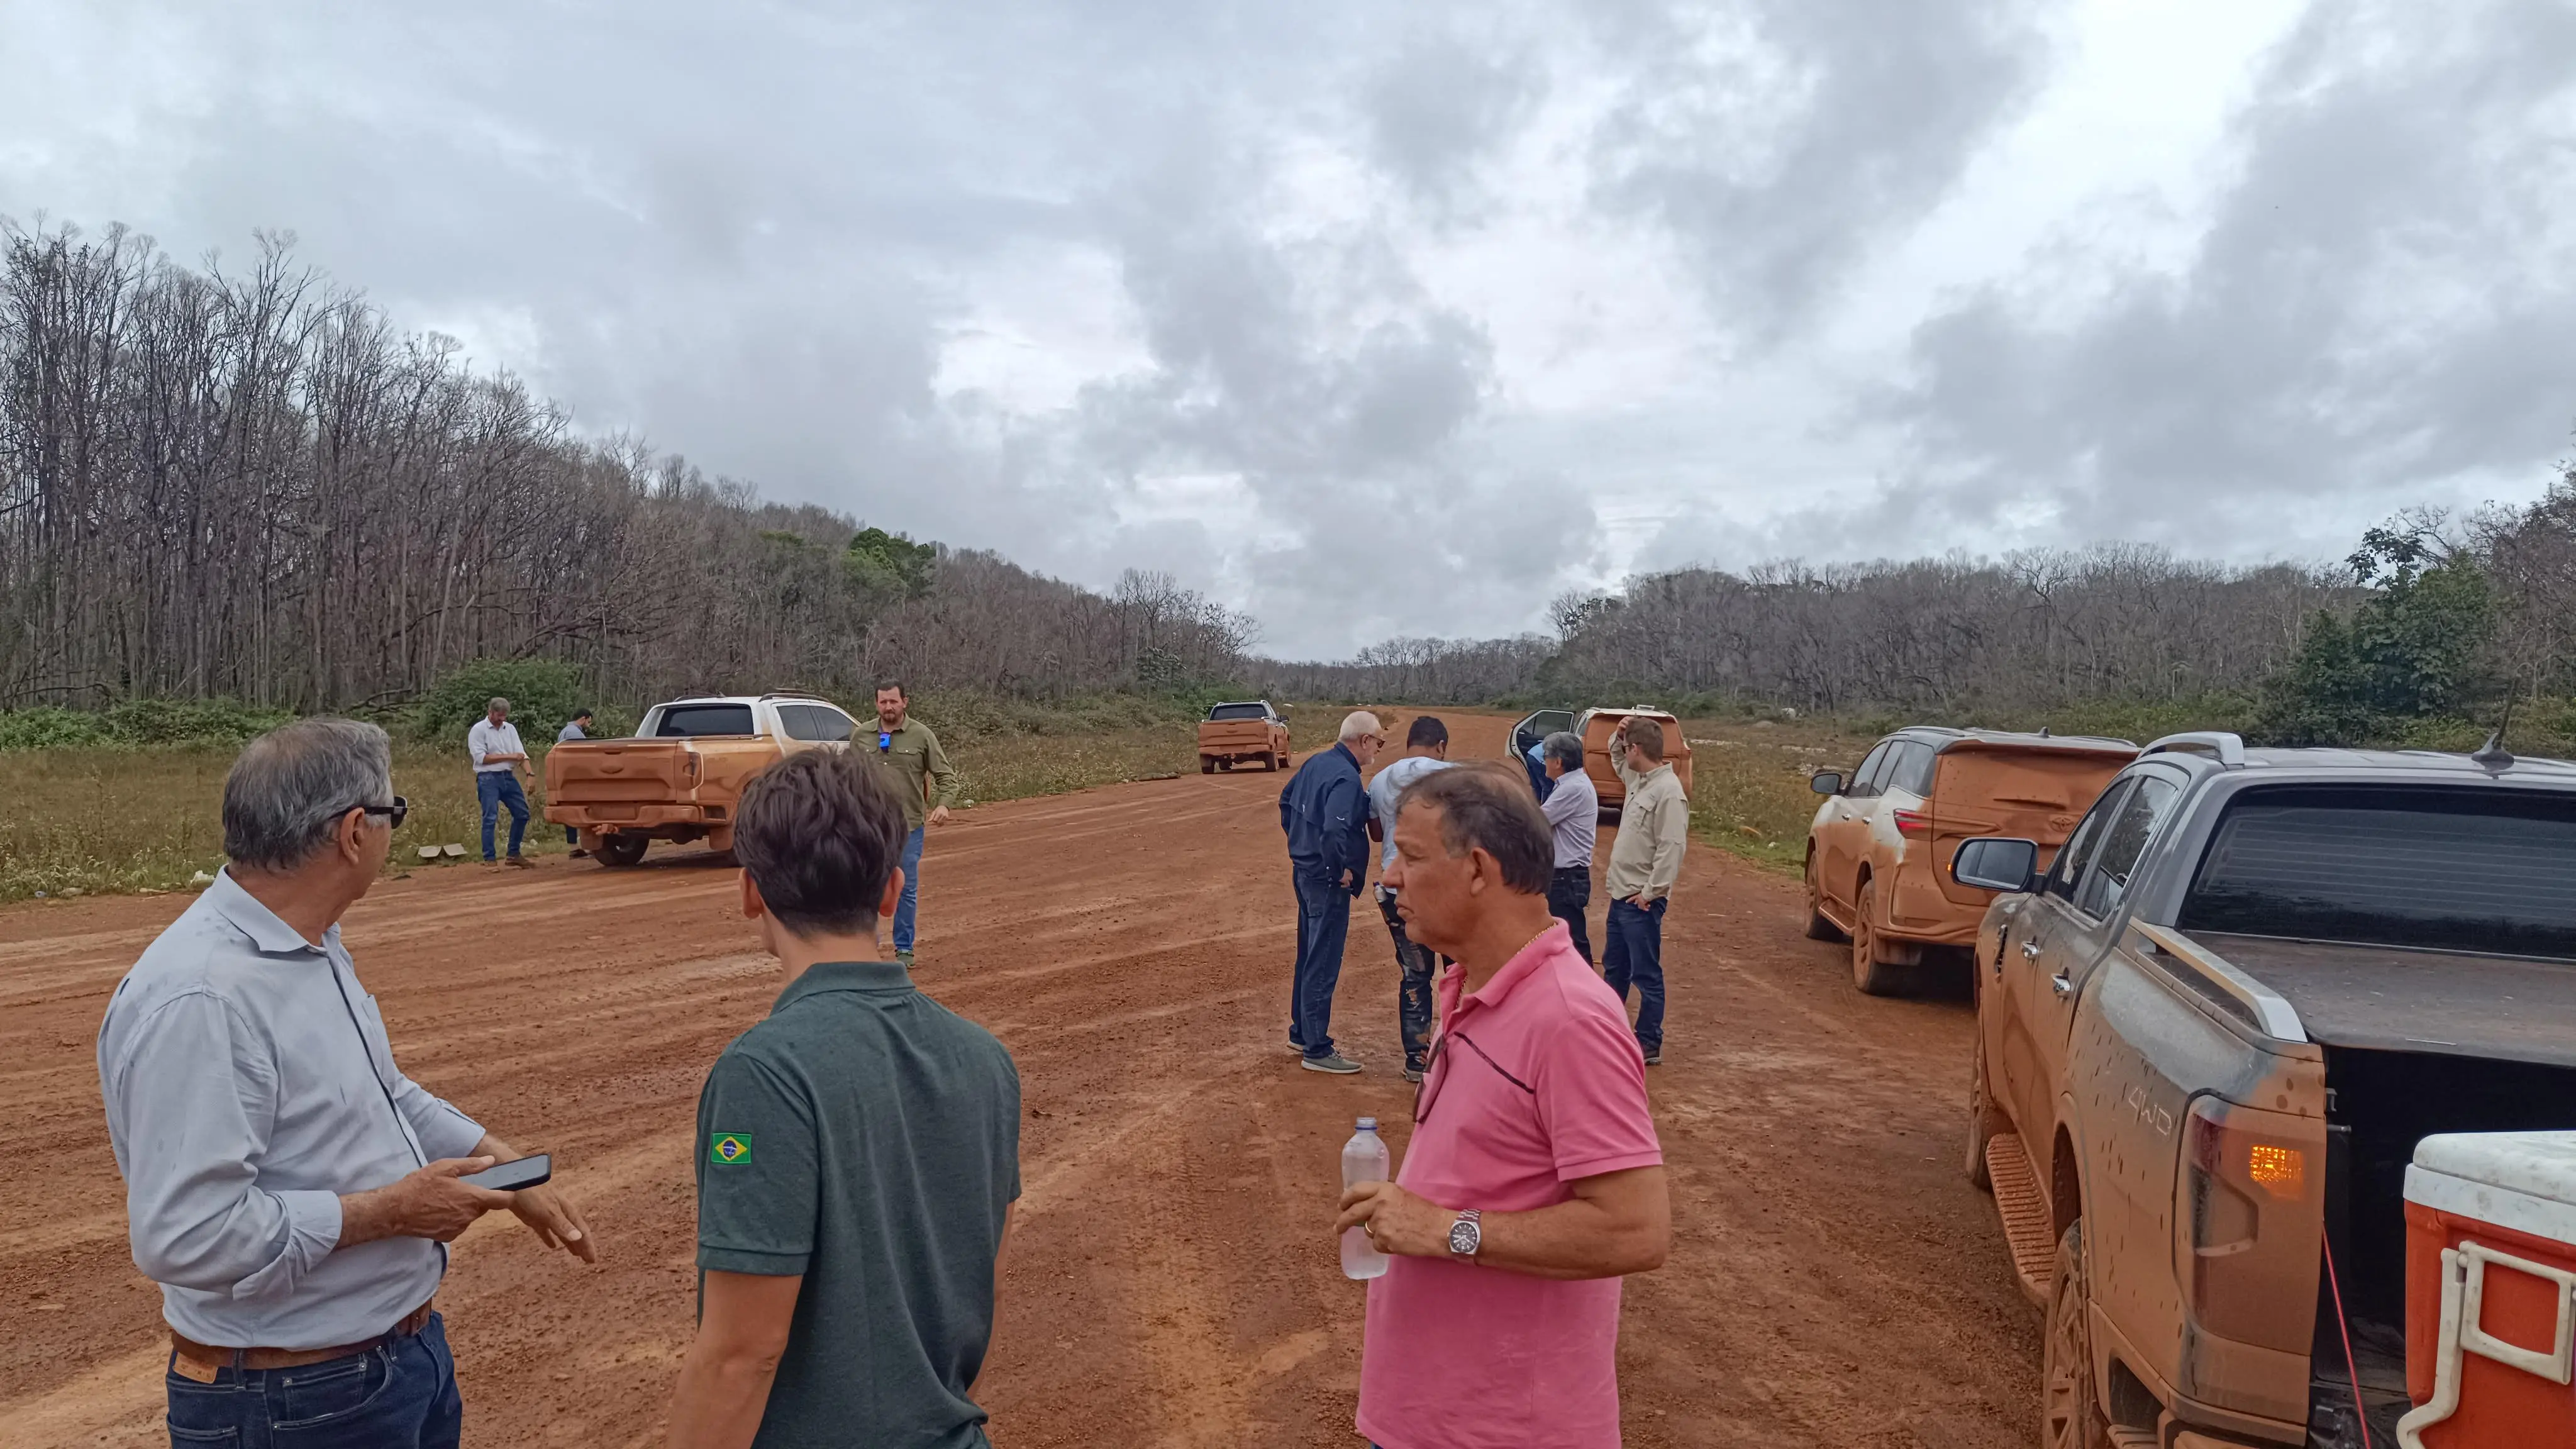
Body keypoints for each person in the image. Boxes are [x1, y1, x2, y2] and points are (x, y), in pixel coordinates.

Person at [97, 718, 597, 1449]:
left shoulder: (309, 944)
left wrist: (505, 1164)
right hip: (291, 1400)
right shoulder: (204, 997)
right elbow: (186, 1235)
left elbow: (382, 1094)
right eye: (397, 814)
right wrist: (389, 1213)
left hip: (391, 1363)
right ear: (355, 832)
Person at [665, 748, 1020, 1449]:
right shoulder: (986, 1060)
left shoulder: (762, 1075)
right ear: (891, 890)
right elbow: (981, 1286)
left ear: (750, 894)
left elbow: (742, 1354)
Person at [1338, 763, 1670, 1449]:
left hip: (1505, 1430)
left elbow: (1635, 1230)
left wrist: (1445, 1230)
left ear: (1479, 870)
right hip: (1427, 1416)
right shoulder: (1467, 987)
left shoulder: (1569, 1019)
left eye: (1412, 855)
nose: (1390, 876)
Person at [1278, 710, 1384, 1074]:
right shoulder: (1345, 778)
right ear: (1364, 740)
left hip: (1305, 874)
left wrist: (1300, 845)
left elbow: (1285, 802)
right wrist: (1337, 870)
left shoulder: (1316, 763)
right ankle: (1317, 1048)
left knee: (1309, 952)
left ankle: (1301, 1032)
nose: (1378, 751)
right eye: (1378, 743)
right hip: (1324, 881)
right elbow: (1334, 831)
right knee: (1323, 960)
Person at [1365, 714, 1452, 1083]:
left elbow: (1375, 831)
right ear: (1442, 746)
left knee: (1415, 975)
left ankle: (1416, 1061)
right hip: (1446, 892)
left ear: (1408, 744)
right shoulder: (1453, 777)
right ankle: (1463, 1052)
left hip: (1397, 888)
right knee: (1460, 974)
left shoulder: (1381, 779)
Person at [1602, 716, 1689, 1066]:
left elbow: (1672, 848)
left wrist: (1651, 893)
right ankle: (1607, 1032)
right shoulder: (1639, 780)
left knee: (1646, 973)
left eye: (1627, 747)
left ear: (1637, 750)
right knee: (1615, 969)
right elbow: (1616, 758)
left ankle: (1649, 1041)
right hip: (1620, 895)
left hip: (1640, 902)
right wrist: (1618, 733)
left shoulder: (1669, 793)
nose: (1623, 753)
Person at [865, 680, 957, 969]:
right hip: (869, 829)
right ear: (876, 704)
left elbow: (946, 776)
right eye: (883, 702)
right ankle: (864, 947)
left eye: (893, 701)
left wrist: (943, 804)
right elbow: (845, 778)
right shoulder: (861, 737)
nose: (888, 707)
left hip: (909, 828)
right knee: (864, 888)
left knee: (905, 890)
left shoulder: (922, 736)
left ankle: (904, 949)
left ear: (905, 701)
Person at [1538, 730, 1599, 965]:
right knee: (1565, 939)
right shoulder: (1572, 784)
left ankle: (1586, 996)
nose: (1544, 761)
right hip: (1567, 878)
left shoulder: (1573, 788)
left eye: (1546, 756)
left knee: (1572, 942)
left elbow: (1538, 821)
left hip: (1567, 878)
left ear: (1558, 761)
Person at [467, 696, 533, 868]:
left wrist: (530, 773)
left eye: (505, 716)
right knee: (490, 817)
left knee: (522, 813)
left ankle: (513, 854)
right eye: (499, 715)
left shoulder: (510, 729)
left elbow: (521, 753)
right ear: (490, 712)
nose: (502, 719)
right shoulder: (478, 730)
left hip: (508, 776)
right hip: (488, 777)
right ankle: (489, 858)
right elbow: (481, 758)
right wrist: (510, 756)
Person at [557, 708, 596, 855]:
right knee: (585, 811)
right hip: (575, 778)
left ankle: (574, 846)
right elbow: (581, 757)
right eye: (589, 722)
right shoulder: (575, 733)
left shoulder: (566, 731)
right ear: (583, 719)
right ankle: (589, 846)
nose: (589, 725)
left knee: (571, 812)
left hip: (566, 778)